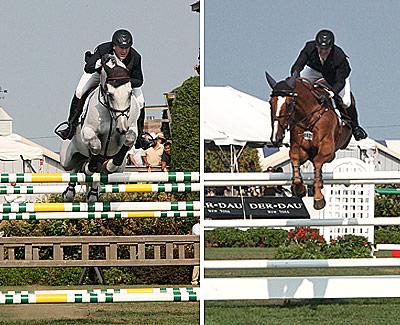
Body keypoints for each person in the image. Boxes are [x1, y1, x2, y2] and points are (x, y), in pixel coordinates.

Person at [57, 29, 145, 141]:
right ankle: (71, 126)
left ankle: (140, 136)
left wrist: (124, 81)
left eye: (127, 48)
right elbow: (88, 68)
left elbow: (139, 80)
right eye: (121, 48)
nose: (124, 51)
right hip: (99, 75)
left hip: (124, 83)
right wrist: (100, 62)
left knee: (141, 101)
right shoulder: (103, 49)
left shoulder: (135, 57)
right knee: (79, 91)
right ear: (114, 46)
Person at [290, 29, 367, 141]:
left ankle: (356, 127)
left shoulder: (339, 57)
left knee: (346, 102)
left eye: (326, 49)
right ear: (316, 46)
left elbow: (340, 82)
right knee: (298, 88)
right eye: (320, 48)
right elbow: (297, 65)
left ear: (331, 48)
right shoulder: (309, 47)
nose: (323, 52)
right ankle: (292, 120)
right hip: (314, 71)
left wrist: (330, 93)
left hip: (335, 76)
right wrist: (295, 77)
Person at [191, 219, 200, 286]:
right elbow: (198, 235)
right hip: (197, 246)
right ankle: (194, 280)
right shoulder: (195, 226)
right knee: (197, 263)